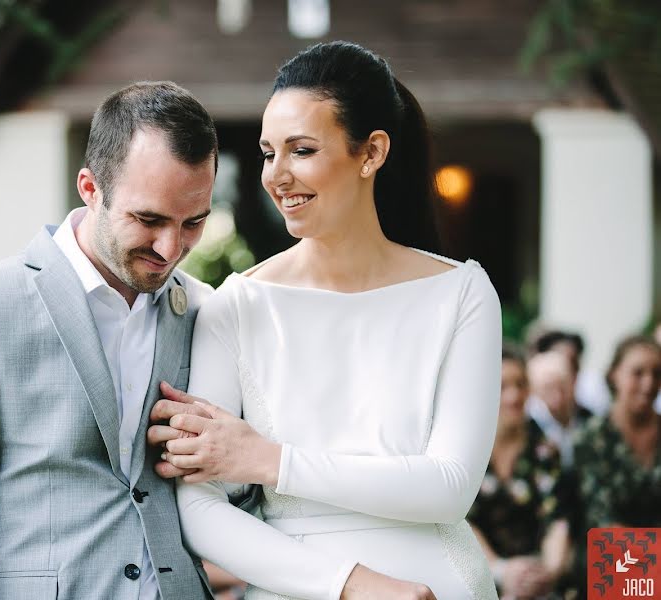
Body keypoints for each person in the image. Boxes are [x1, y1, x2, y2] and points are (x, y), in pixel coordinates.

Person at [150, 41, 501, 599]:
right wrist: (349, 584)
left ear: (372, 153)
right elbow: (199, 508)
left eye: (302, 150)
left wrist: (270, 460)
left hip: (439, 586)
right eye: (268, 153)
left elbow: (451, 487)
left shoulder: (460, 293)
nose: (277, 175)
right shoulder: (235, 305)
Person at [0, 81, 218, 600]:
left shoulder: (203, 310)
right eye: (149, 219)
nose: (170, 249)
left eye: (194, 222)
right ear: (90, 187)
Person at [467, 347, 571, 598]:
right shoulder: (468, 447)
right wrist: (499, 570)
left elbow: (557, 520)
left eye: (520, 384)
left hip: (535, 577)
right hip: (473, 573)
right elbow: (460, 519)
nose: (513, 396)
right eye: (502, 386)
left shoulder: (545, 450)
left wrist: (547, 573)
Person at [574, 335, 661, 529]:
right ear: (615, 374)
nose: (649, 384)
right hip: (609, 553)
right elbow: (599, 515)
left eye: (657, 373)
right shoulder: (590, 437)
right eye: (638, 373)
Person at [526, 351, 591, 468]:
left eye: (562, 386)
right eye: (548, 388)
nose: (557, 395)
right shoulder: (530, 427)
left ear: (572, 384)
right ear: (535, 391)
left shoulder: (588, 419)